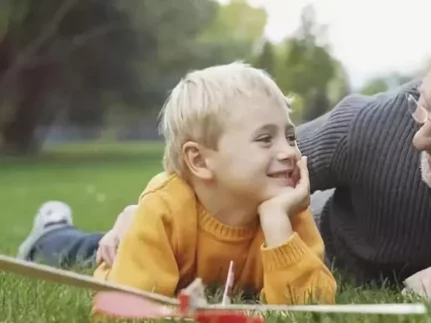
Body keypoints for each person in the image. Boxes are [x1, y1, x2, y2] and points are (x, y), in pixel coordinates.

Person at [17, 12, 431, 300]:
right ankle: (53, 236)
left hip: (302, 275)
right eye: (425, 106)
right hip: (285, 244)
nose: (421, 137)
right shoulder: (367, 126)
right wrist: (138, 210)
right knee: (150, 248)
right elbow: (231, 170)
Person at [39, 63, 338, 311]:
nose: (288, 152)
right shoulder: (165, 208)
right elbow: (121, 310)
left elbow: (311, 307)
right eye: (265, 139)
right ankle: (49, 232)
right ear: (200, 160)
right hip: (120, 258)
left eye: (290, 136)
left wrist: (276, 222)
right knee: (80, 250)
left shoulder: (285, 209)